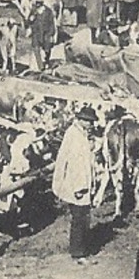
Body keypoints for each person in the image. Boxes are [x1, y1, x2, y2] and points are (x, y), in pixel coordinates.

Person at [51, 107, 98, 261]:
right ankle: (77, 252)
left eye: (91, 121)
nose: (91, 124)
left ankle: (82, 247)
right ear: (80, 120)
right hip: (77, 183)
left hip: (82, 181)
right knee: (79, 218)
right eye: (88, 121)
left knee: (83, 217)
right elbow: (74, 163)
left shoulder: (80, 134)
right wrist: (79, 187)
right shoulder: (73, 135)